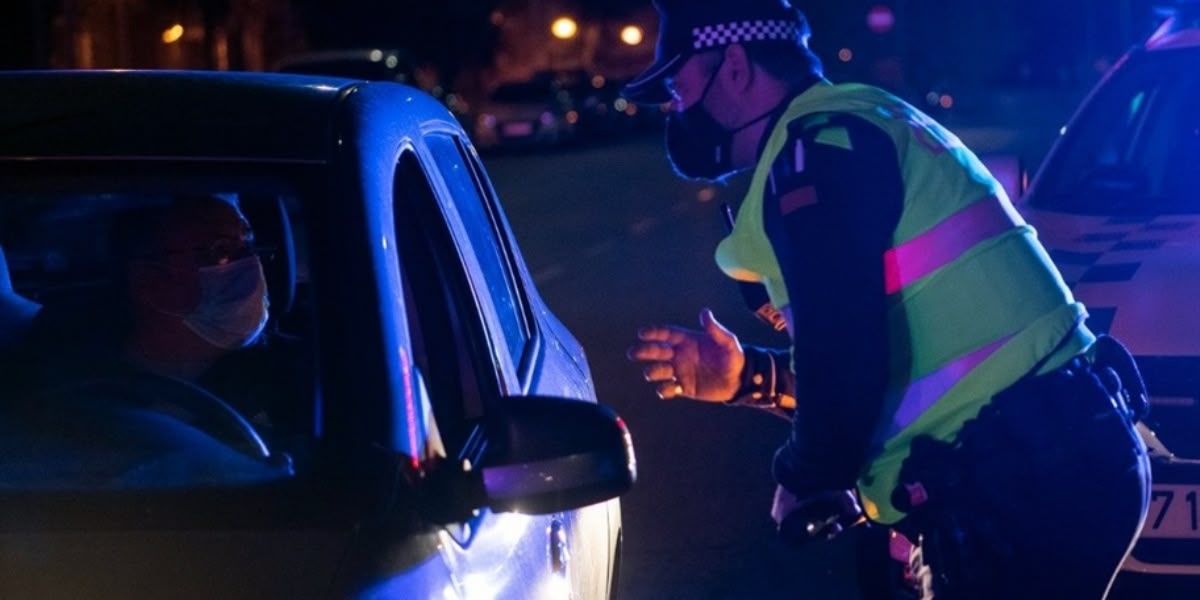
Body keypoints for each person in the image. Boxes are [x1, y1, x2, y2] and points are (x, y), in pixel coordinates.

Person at [622, 1, 1150, 597]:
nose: (675, 106)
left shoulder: (818, 152)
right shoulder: (856, 124)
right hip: (1055, 453)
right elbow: (899, 354)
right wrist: (751, 377)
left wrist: (805, 474)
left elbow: (846, 354)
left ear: (736, 66)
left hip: (1025, 482)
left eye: (679, 83)